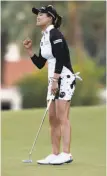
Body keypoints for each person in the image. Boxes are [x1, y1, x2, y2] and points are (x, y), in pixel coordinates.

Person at [23, 5, 82, 165]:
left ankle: (66, 154)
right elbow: (41, 63)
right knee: (53, 118)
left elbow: (61, 57)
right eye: (38, 14)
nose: (38, 16)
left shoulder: (55, 33)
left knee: (63, 117)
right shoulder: (45, 36)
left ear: (51, 18)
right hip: (54, 80)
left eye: (41, 14)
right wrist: (29, 51)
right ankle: (55, 154)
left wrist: (56, 80)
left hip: (64, 78)